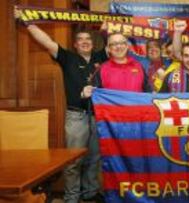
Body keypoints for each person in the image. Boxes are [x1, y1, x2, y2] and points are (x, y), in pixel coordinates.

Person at [14, 8, 107, 203]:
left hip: (97, 116)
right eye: (80, 39)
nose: (84, 42)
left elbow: (117, 38)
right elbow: (46, 41)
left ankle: (90, 193)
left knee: (95, 158)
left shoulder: (101, 58)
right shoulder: (68, 58)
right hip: (76, 117)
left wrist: (111, 24)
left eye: (88, 39)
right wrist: (27, 22)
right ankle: (71, 197)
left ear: (92, 43)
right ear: (75, 44)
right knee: (73, 161)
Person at [82, 32, 148, 97]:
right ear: (108, 49)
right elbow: (92, 94)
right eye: (114, 44)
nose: (118, 46)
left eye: (122, 43)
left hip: (136, 107)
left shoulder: (139, 66)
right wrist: (84, 94)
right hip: (110, 108)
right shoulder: (101, 69)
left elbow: (148, 91)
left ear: (127, 46)